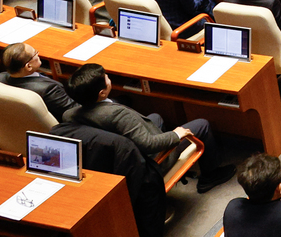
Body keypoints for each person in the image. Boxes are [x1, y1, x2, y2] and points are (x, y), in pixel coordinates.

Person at [66, 63, 235, 192]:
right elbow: (148, 145)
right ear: (102, 93)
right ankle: (209, 176)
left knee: (155, 118)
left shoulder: (70, 114)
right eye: (107, 77)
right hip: (151, 161)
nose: (109, 77)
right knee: (201, 125)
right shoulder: (116, 115)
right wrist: (176, 135)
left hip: (118, 159)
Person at [0, 42, 78, 122]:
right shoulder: (48, 90)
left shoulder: (0, 78)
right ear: (28, 66)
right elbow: (75, 110)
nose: (38, 54)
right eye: (35, 53)